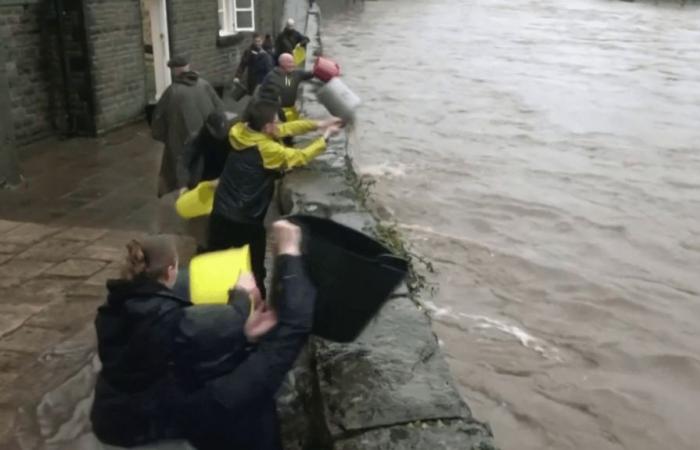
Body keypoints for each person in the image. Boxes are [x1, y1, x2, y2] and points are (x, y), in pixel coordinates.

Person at [91, 220, 316, 450]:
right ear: (170, 272)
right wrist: (288, 251)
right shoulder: (221, 391)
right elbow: (293, 326)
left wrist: (244, 333)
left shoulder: (116, 316)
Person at [208, 99, 342, 298]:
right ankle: (255, 307)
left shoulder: (240, 131)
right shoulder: (268, 151)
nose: (279, 125)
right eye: (275, 122)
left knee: (217, 263)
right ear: (267, 127)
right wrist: (326, 136)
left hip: (219, 212)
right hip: (245, 219)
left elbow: (285, 129)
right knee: (254, 271)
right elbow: (301, 156)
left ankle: (214, 300)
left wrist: (319, 123)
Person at [151, 55, 224, 199]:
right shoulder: (204, 84)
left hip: (185, 139)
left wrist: (166, 137)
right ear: (188, 67)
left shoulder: (172, 92)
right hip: (210, 137)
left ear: (174, 71)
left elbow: (158, 120)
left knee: (188, 167)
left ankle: (192, 198)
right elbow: (220, 108)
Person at [178, 110, 234, 251]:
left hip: (222, 183)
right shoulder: (196, 140)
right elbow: (184, 163)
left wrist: (223, 179)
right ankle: (203, 246)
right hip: (201, 183)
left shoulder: (231, 139)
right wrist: (183, 185)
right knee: (201, 220)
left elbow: (237, 164)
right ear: (208, 128)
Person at [257, 53, 314, 127]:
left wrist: (319, 68)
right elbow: (264, 98)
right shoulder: (271, 78)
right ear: (282, 63)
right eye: (290, 62)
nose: (293, 65)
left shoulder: (295, 73)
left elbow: (309, 74)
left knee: (293, 131)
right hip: (276, 115)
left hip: (291, 111)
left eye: (293, 62)